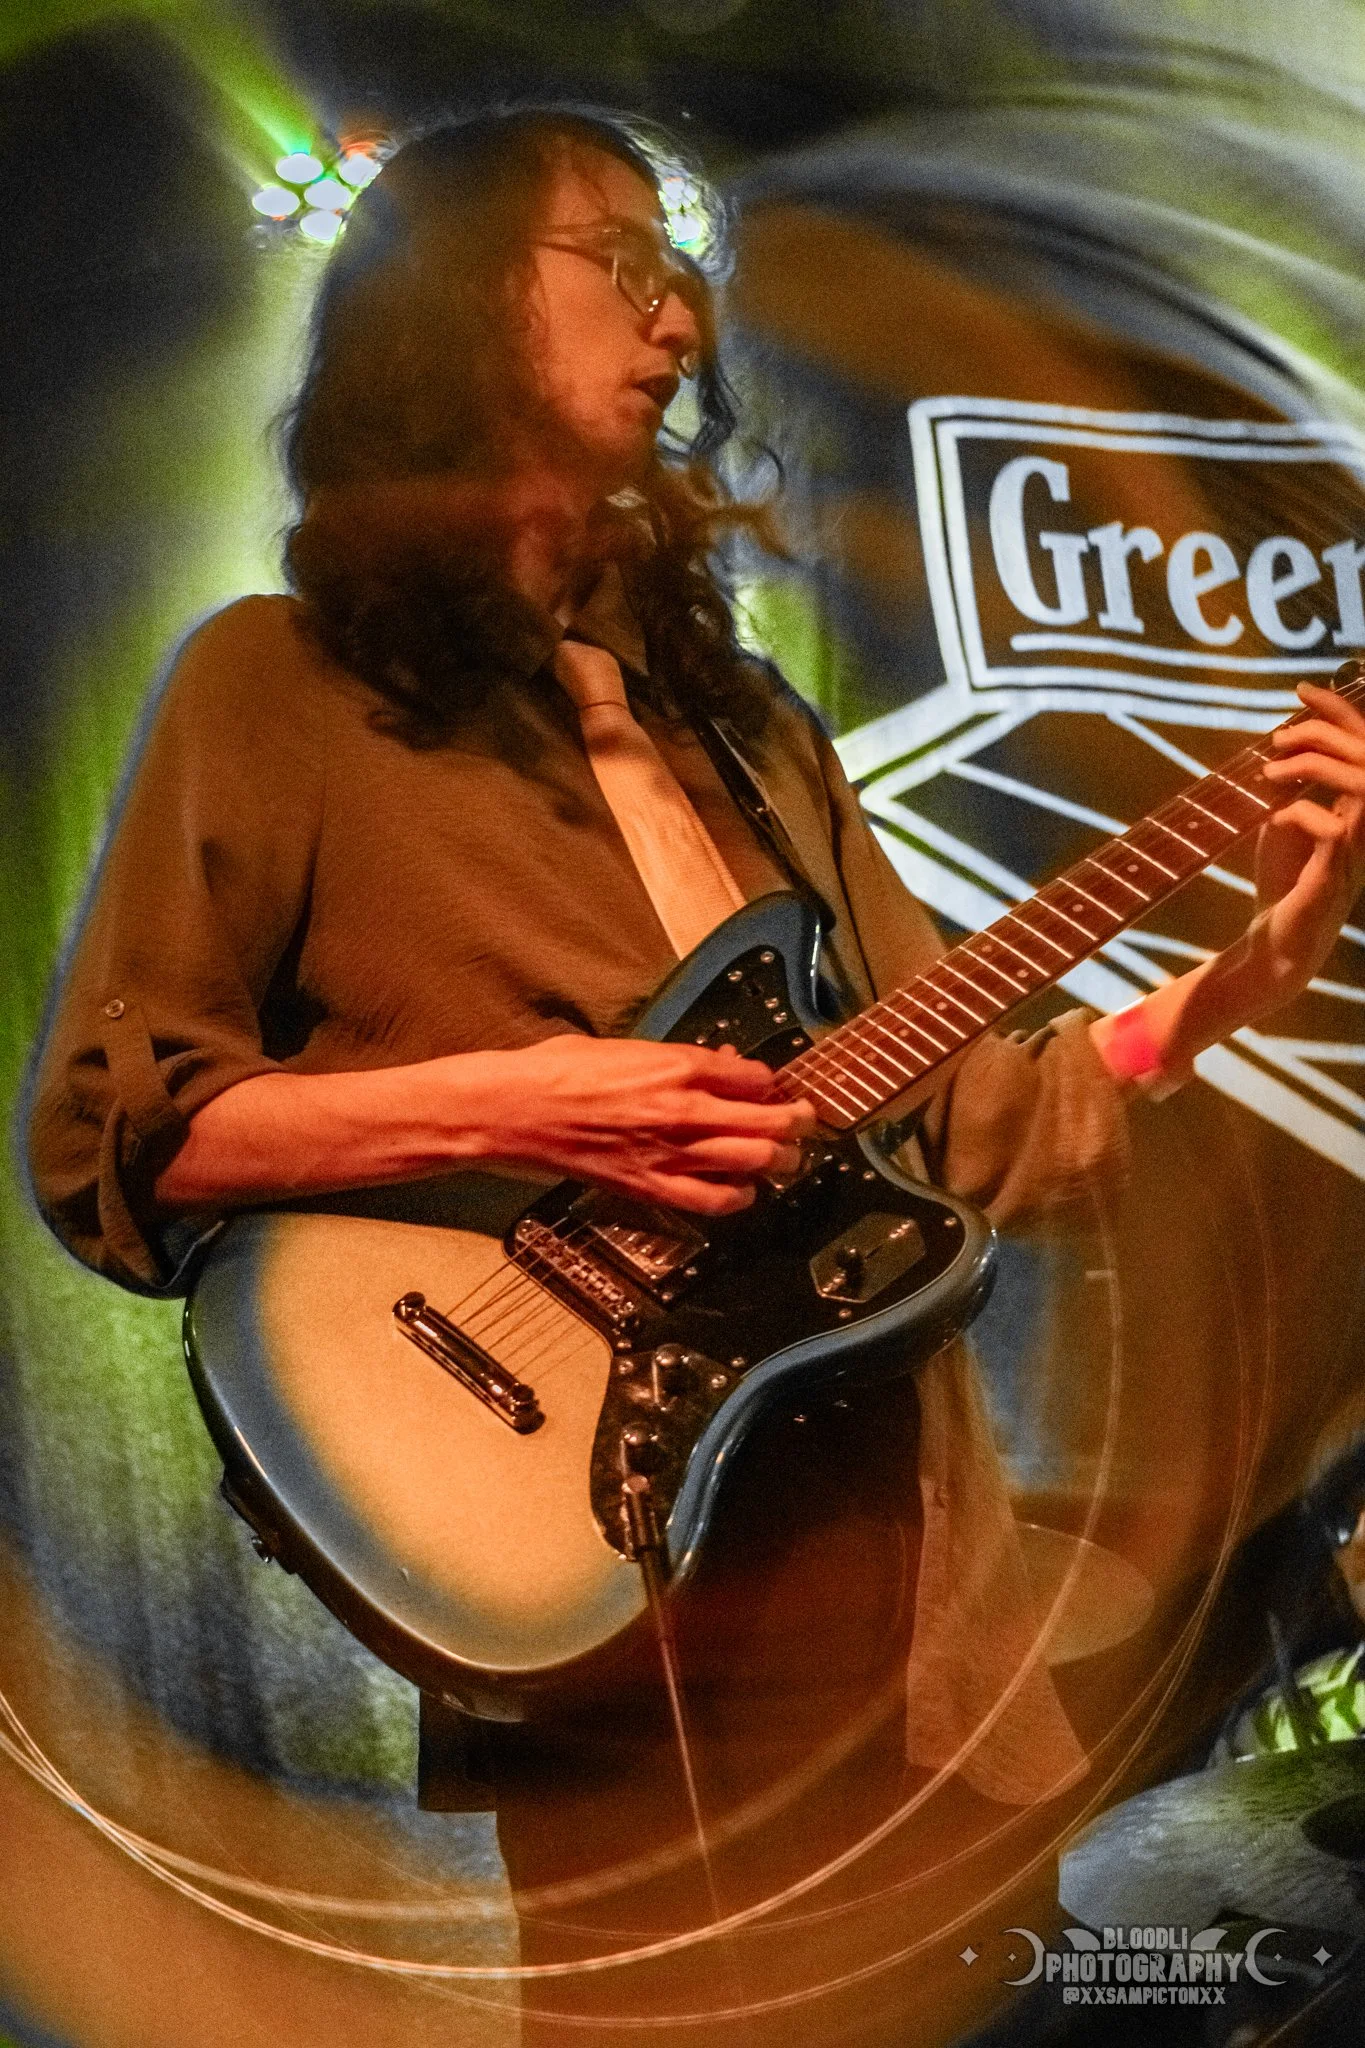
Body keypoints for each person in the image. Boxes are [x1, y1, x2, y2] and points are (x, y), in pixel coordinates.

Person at [25, 105, 1365, 2046]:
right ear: (453, 299)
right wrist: (535, 1105)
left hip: (891, 1556)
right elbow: (116, 1132)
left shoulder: (748, 732)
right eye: (616, 263)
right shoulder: (277, 686)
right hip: (578, 1535)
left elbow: (968, 1118)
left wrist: (1249, 969)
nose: (675, 321)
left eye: (679, 278)